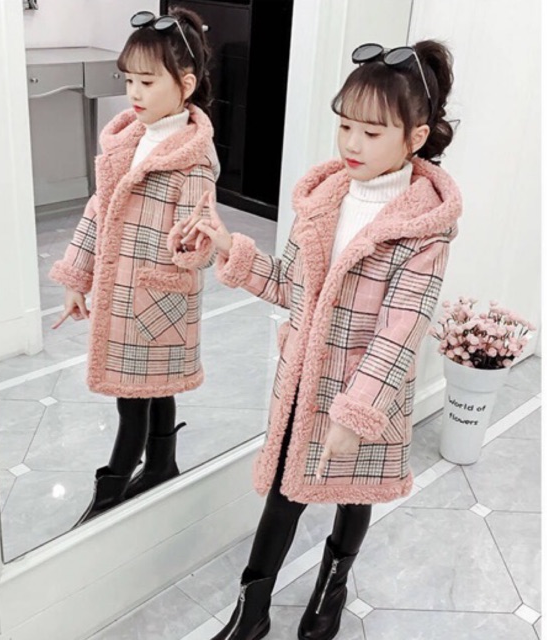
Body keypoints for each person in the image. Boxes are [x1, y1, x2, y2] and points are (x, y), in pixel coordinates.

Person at [182, 40, 462, 640]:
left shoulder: (424, 228)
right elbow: (290, 286)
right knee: (283, 495)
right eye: (345, 126)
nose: (352, 143)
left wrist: (354, 414)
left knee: (354, 495)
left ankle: (331, 589)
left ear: (415, 137)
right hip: (302, 385)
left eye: (371, 132)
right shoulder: (322, 201)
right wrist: (230, 248)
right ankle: (251, 613)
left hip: (366, 395)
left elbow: (400, 333)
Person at [49, 7, 220, 525]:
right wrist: (77, 277)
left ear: (185, 85)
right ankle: (162, 464)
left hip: (157, 299)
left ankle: (111, 490)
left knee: (134, 399)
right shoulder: (128, 139)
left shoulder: (194, 158)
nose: (134, 93)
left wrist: (191, 243)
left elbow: (199, 243)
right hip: (123, 293)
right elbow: (98, 210)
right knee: (153, 388)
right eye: (129, 80)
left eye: (147, 81)